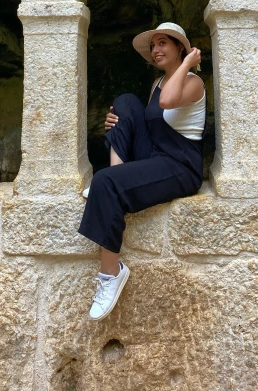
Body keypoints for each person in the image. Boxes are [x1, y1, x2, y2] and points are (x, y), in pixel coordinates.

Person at [78, 22, 206, 320]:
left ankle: (111, 274)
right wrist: (119, 122)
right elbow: (148, 124)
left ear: (180, 48)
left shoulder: (192, 83)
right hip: (156, 155)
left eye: (163, 43)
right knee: (124, 102)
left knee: (106, 183)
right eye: (152, 46)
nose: (155, 50)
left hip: (181, 166)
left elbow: (167, 102)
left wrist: (188, 63)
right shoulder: (157, 82)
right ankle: (113, 185)